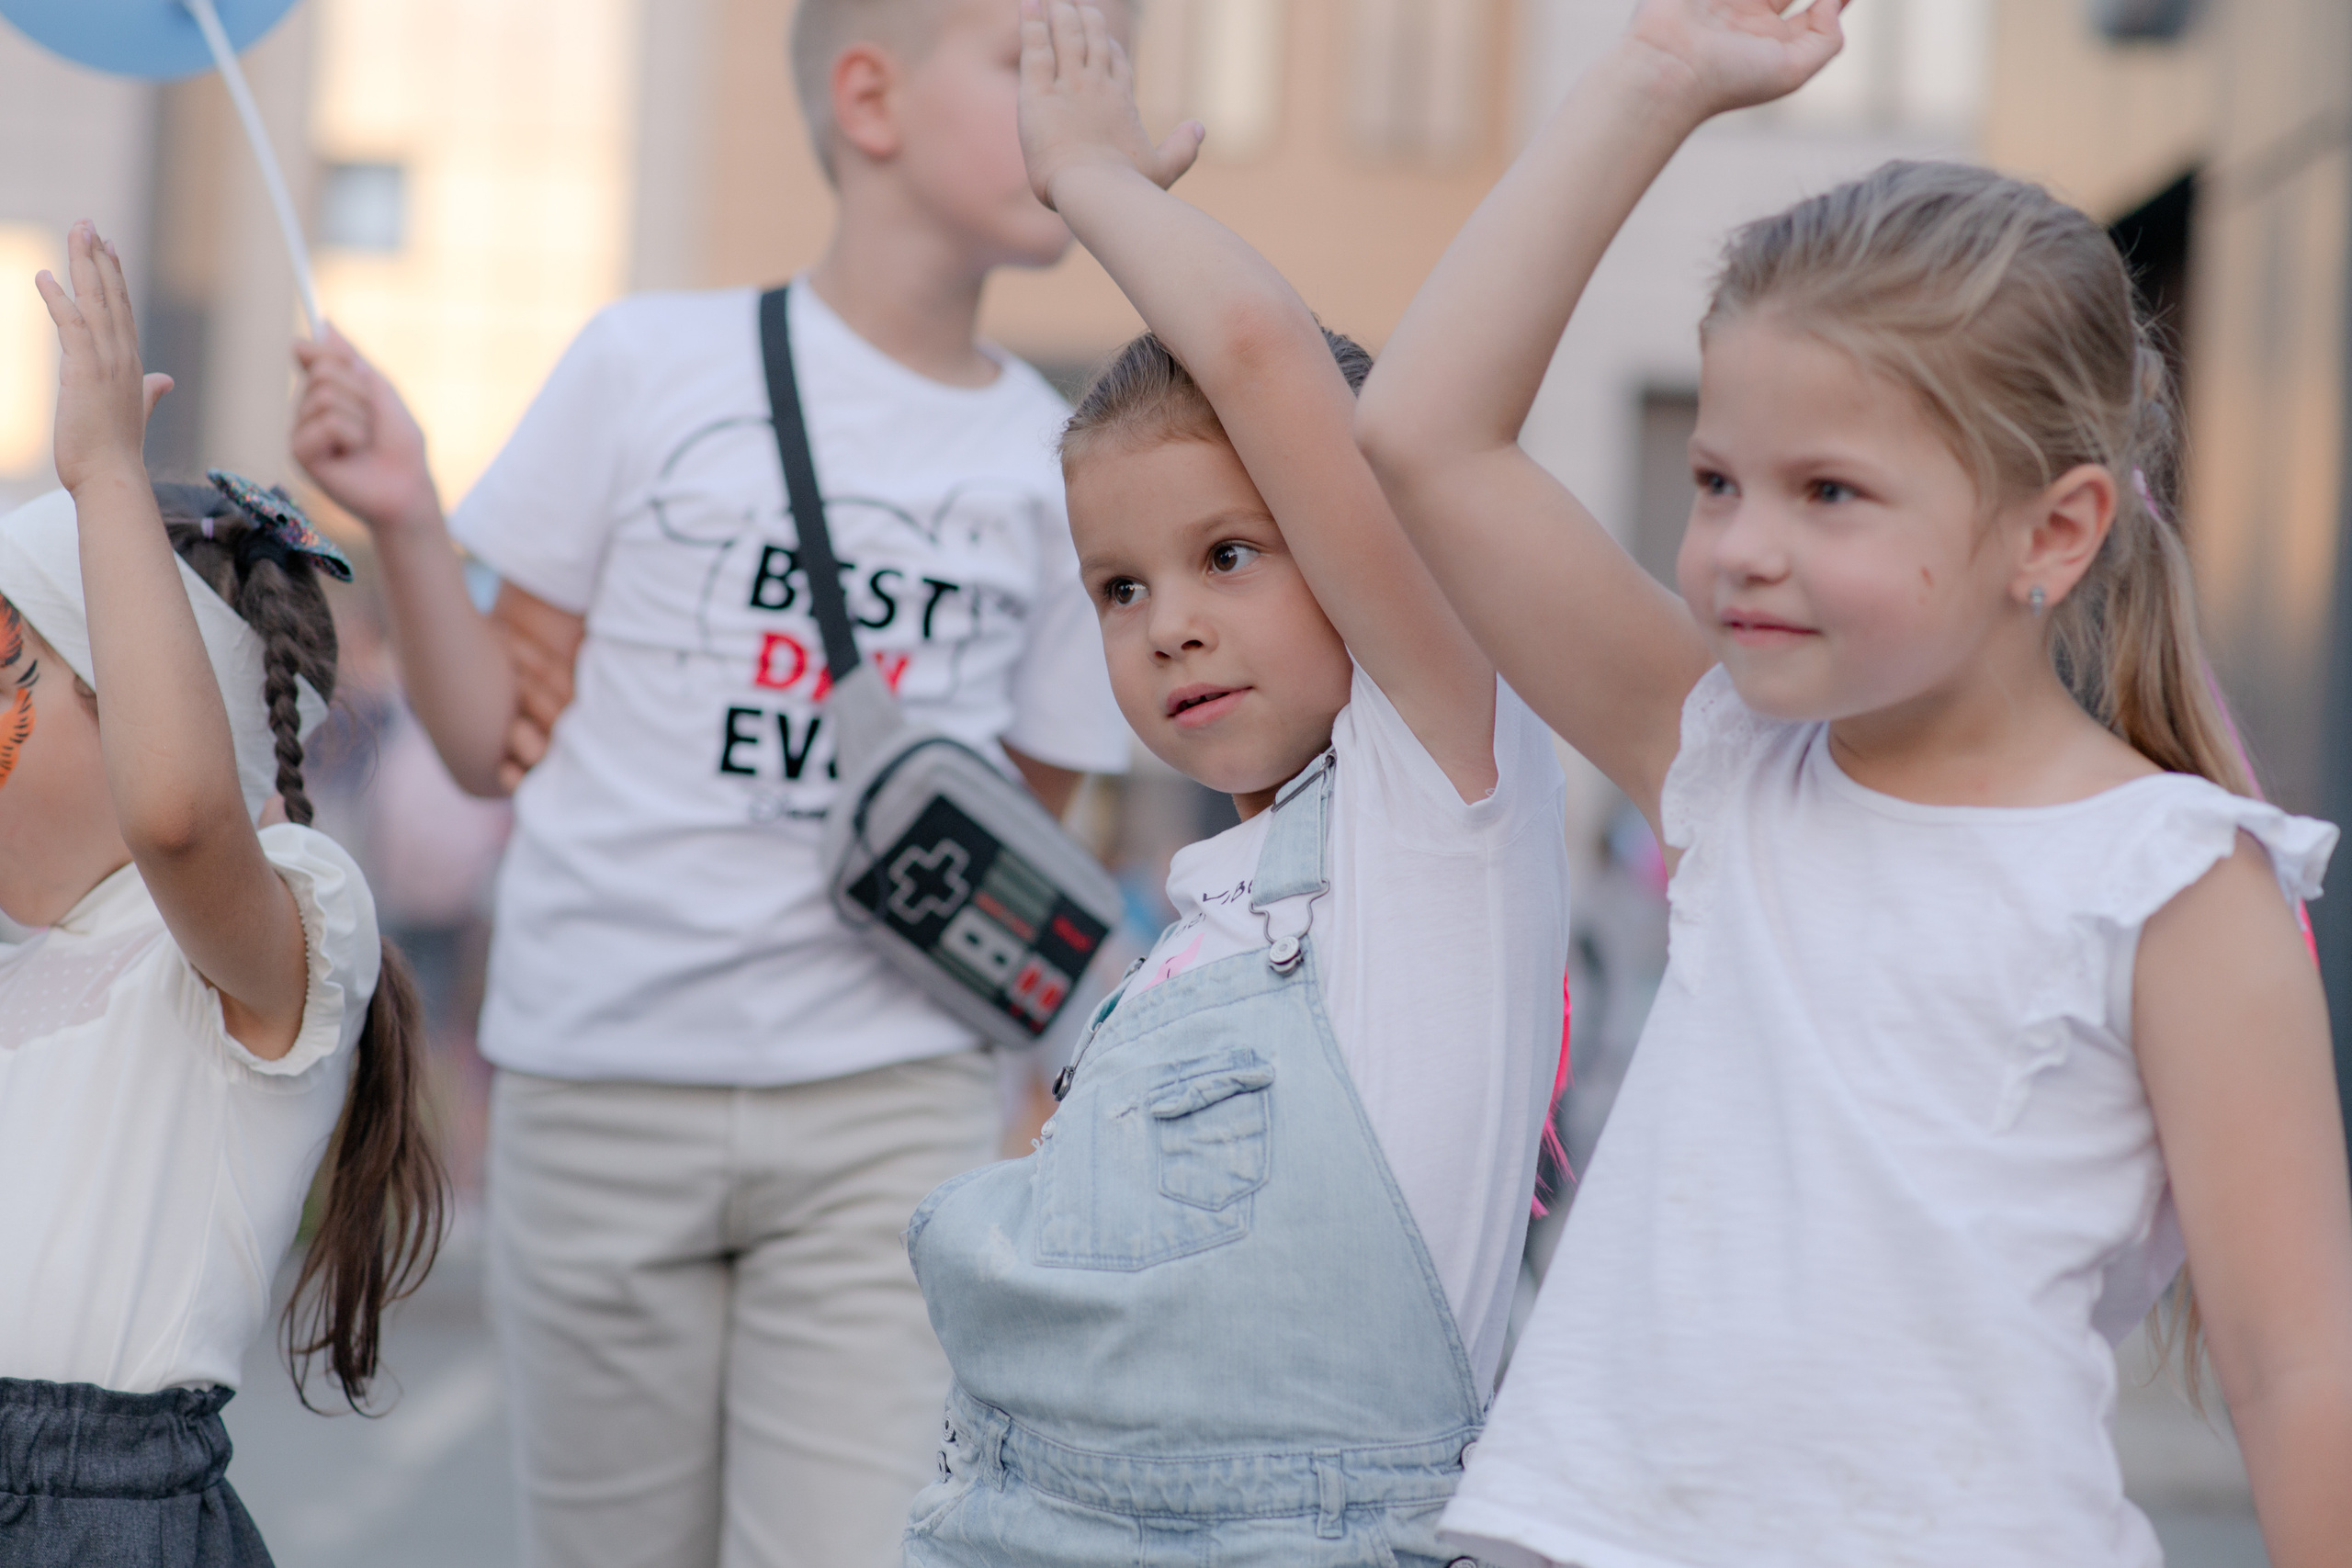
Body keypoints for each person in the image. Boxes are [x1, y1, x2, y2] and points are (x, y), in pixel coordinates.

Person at [1353, 2, 2352, 1564]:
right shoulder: (1727, 766)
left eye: (1829, 492)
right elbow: (1423, 435)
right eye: (1717, 481)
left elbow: (2300, 1370)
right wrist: (1651, 85)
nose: (1743, 545)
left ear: (2056, 531)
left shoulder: (2174, 880)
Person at [287, 0, 1135, 1562]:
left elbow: (1010, 840)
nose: (1094, 99)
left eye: (1115, 66)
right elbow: (486, 744)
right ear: (869, 98)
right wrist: (405, 515)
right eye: (1039, 63)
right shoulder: (648, 366)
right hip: (604, 1079)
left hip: (892, 1107)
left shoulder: (1067, 467)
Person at [898, 6, 1571, 1563]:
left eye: (1231, 553)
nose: (1170, 623)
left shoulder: (1435, 797)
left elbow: (1262, 357)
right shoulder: (1198, 924)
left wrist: (1090, 183)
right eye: (1120, 588)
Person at [0, 223, 444, 1566]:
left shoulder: (290, 916)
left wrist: (101, 481)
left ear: (132, 705)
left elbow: (182, 819)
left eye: (13, 663)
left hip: (92, 1509)